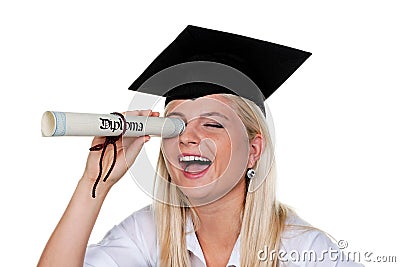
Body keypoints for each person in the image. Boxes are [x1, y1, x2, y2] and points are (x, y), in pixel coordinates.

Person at [38, 26, 363, 267]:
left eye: (212, 123)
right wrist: (94, 182)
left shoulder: (304, 251)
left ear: (254, 150)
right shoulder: (148, 233)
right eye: (174, 125)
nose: (187, 137)